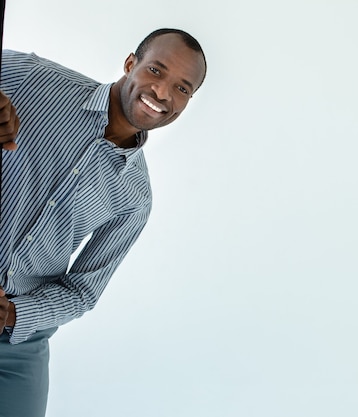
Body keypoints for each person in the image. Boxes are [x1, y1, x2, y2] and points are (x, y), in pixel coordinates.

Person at [0, 28, 207, 417]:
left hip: (14, 344)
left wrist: (12, 315)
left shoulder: (135, 197)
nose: (162, 94)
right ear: (131, 64)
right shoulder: (33, 77)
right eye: (157, 71)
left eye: (182, 89)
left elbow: (82, 291)